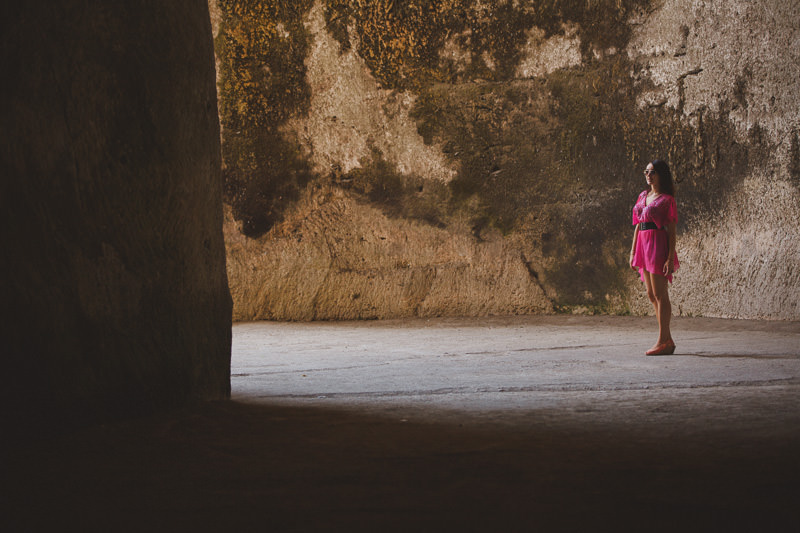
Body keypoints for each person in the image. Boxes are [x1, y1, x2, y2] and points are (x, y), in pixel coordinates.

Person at [629, 159, 679, 355]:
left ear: (661, 175)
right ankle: (667, 339)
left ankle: (663, 339)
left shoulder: (667, 199)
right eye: (646, 172)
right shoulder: (643, 196)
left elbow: (672, 231)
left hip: (657, 244)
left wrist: (669, 257)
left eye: (652, 172)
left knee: (660, 294)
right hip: (643, 243)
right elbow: (638, 225)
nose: (648, 175)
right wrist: (633, 251)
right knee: (651, 295)